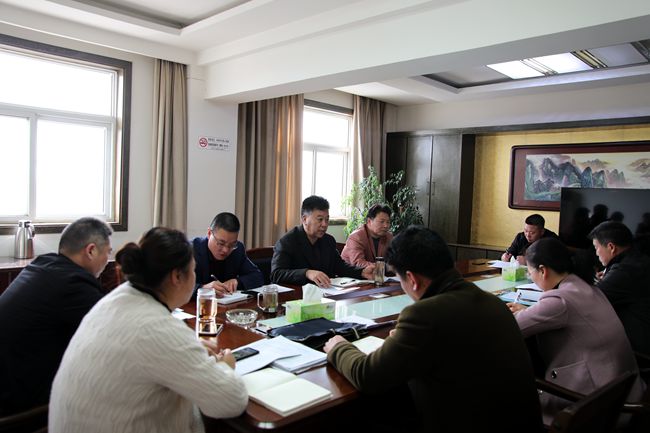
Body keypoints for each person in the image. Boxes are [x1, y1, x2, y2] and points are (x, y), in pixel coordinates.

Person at [324, 226, 543, 432]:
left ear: (412, 279)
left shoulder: (423, 316)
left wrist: (339, 347)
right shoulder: (493, 302)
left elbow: (368, 375)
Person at [49, 227, 248, 433]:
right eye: (193, 270)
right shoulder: (160, 329)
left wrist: (190, 349)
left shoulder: (116, 299)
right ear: (177, 277)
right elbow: (232, 401)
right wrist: (226, 366)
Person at [507, 237, 644, 423]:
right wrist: (530, 311)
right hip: (624, 392)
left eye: (530, 272)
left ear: (543, 271)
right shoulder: (584, 286)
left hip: (593, 406)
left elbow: (510, 329)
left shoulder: (559, 301)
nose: (531, 277)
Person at [0, 217, 112, 416]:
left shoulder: (42, 266)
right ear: (91, 250)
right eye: (108, 252)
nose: (107, 259)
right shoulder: (73, 284)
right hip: (16, 403)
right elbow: (114, 329)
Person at [271, 195, 374, 287]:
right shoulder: (287, 242)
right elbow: (276, 274)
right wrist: (307, 273)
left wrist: (362, 272)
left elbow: (340, 267)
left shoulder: (328, 241)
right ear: (304, 219)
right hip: (297, 296)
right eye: (320, 219)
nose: (324, 224)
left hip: (326, 294)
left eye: (327, 219)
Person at [589, 221, 650, 355]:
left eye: (596, 247)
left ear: (611, 247)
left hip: (637, 349)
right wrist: (609, 276)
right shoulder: (638, 258)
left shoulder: (626, 270)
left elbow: (590, 300)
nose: (596, 253)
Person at [192, 212, 263, 296]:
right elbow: (178, 285)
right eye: (221, 243)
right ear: (209, 233)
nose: (225, 250)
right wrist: (203, 288)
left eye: (231, 245)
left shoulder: (237, 250)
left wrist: (237, 281)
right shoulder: (190, 250)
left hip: (227, 302)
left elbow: (257, 276)